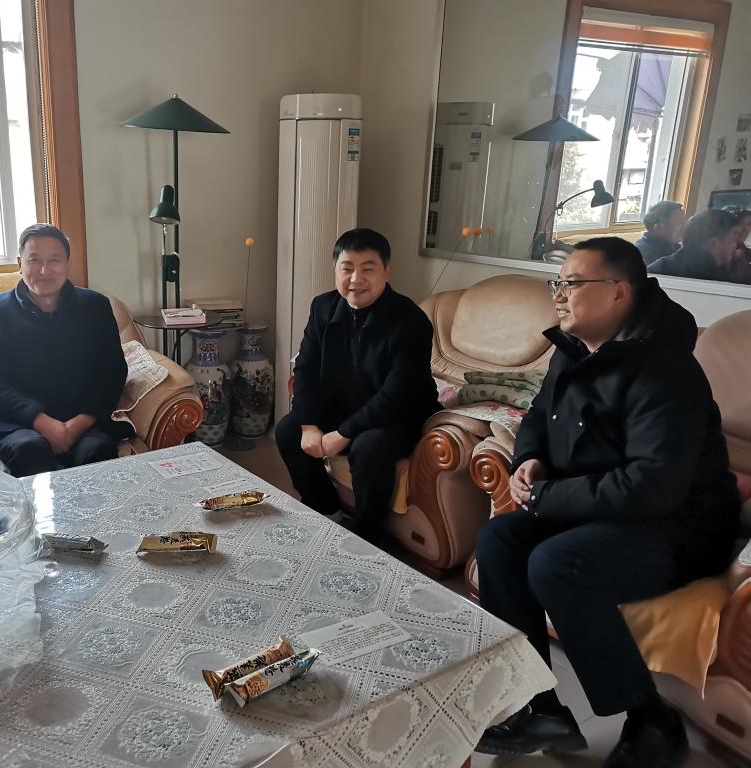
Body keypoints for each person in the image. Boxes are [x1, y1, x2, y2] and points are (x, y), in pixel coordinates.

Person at [474, 237, 739, 767]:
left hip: (677, 527)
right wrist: (531, 459)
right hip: (600, 509)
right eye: (557, 283)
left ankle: (652, 720)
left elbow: (652, 485)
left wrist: (548, 495)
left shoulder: (665, 370)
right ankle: (539, 707)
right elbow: (538, 416)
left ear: (619, 292)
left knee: (557, 563)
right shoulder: (573, 350)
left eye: (572, 283)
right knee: (499, 538)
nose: (558, 294)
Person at [275, 227, 440, 538]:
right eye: (347, 268)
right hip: (345, 405)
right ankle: (327, 510)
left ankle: (367, 534)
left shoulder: (411, 320)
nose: (355, 279)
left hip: (398, 415)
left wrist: (344, 433)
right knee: (288, 429)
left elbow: (398, 393)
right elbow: (306, 368)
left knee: (368, 447)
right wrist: (309, 425)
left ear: (387, 271)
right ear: (335, 270)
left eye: (368, 268)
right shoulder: (323, 307)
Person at [0, 223, 130, 477]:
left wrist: (76, 426)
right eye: (34, 260)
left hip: (82, 421)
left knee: (97, 451)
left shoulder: (95, 307)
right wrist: (44, 424)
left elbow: (112, 372)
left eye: (54, 260)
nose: (44, 271)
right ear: (20, 264)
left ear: (68, 264)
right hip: (18, 424)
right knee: (31, 450)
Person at [647, 208, 740, 282]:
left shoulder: (720, 269)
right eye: (734, 238)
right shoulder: (661, 272)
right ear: (713, 244)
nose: (736, 245)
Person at [633, 200, 684, 266]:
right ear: (659, 227)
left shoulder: (674, 247)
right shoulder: (641, 254)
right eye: (679, 221)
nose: (685, 226)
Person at [722, 206, 751, 284]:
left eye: (749, 224)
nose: (745, 229)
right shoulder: (724, 253)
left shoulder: (744, 250)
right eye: (741, 223)